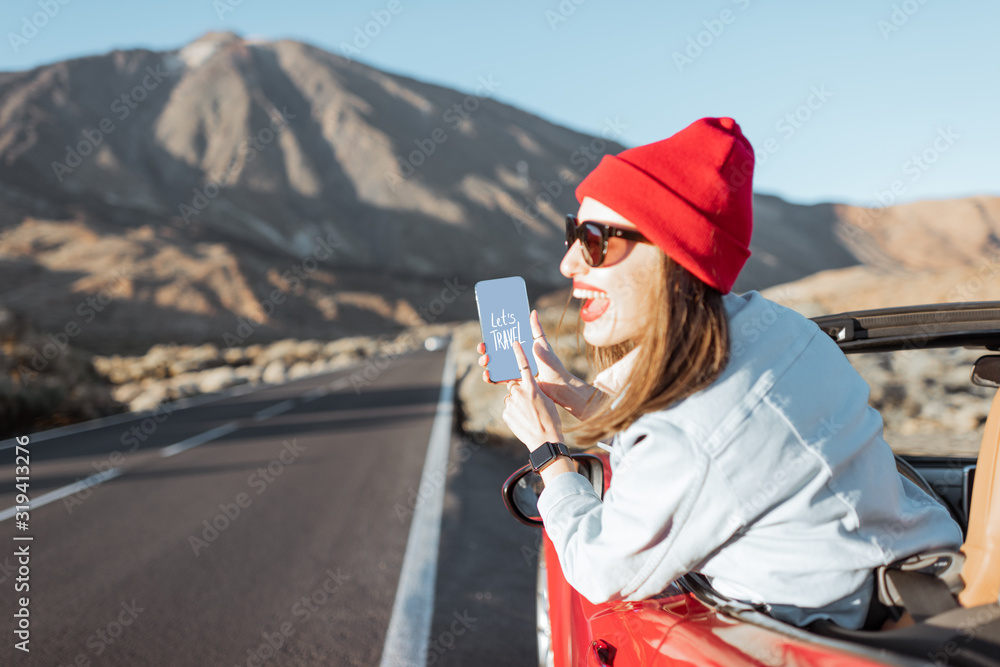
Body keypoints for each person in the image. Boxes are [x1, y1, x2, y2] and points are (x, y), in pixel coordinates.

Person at [475, 117, 963, 630]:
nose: (569, 263)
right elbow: (701, 434)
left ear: (671, 252)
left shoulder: (692, 431)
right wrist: (581, 397)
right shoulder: (778, 326)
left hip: (843, 640)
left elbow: (598, 569)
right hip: (923, 597)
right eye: (574, 233)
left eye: (595, 240)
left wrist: (548, 451)